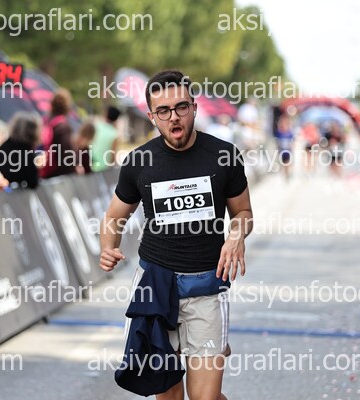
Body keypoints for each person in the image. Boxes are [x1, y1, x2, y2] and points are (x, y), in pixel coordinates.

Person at [100, 70, 253, 400]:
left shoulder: (223, 155)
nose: (174, 117)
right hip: (157, 286)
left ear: (194, 108)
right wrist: (108, 247)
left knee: (205, 398)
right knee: (167, 394)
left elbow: (243, 213)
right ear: (152, 116)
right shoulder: (140, 161)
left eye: (181, 107)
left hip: (206, 287)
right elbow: (114, 216)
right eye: (164, 110)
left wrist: (236, 236)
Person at [0, 112, 43, 189]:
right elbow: (33, 182)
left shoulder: (5, 146)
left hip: (1, 192)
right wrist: (37, 166)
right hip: (11, 192)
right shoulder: (26, 152)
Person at [41, 89, 77, 178]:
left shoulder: (44, 122)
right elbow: (67, 155)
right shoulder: (63, 127)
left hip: (44, 170)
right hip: (58, 174)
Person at [91, 105, 121, 172]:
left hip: (91, 165)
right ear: (116, 119)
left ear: (106, 114)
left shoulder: (96, 126)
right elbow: (112, 156)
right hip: (103, 168)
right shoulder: (115, 134)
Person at [274, 115, 294, 180]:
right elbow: (277, 141)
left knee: (287, 163)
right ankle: (285, 174)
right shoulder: (279, 133)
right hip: (281, 150)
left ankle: (287, 174)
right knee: (283, 163)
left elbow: (293, 141)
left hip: (288, 150)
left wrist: (291, 146)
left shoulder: (289, 133)